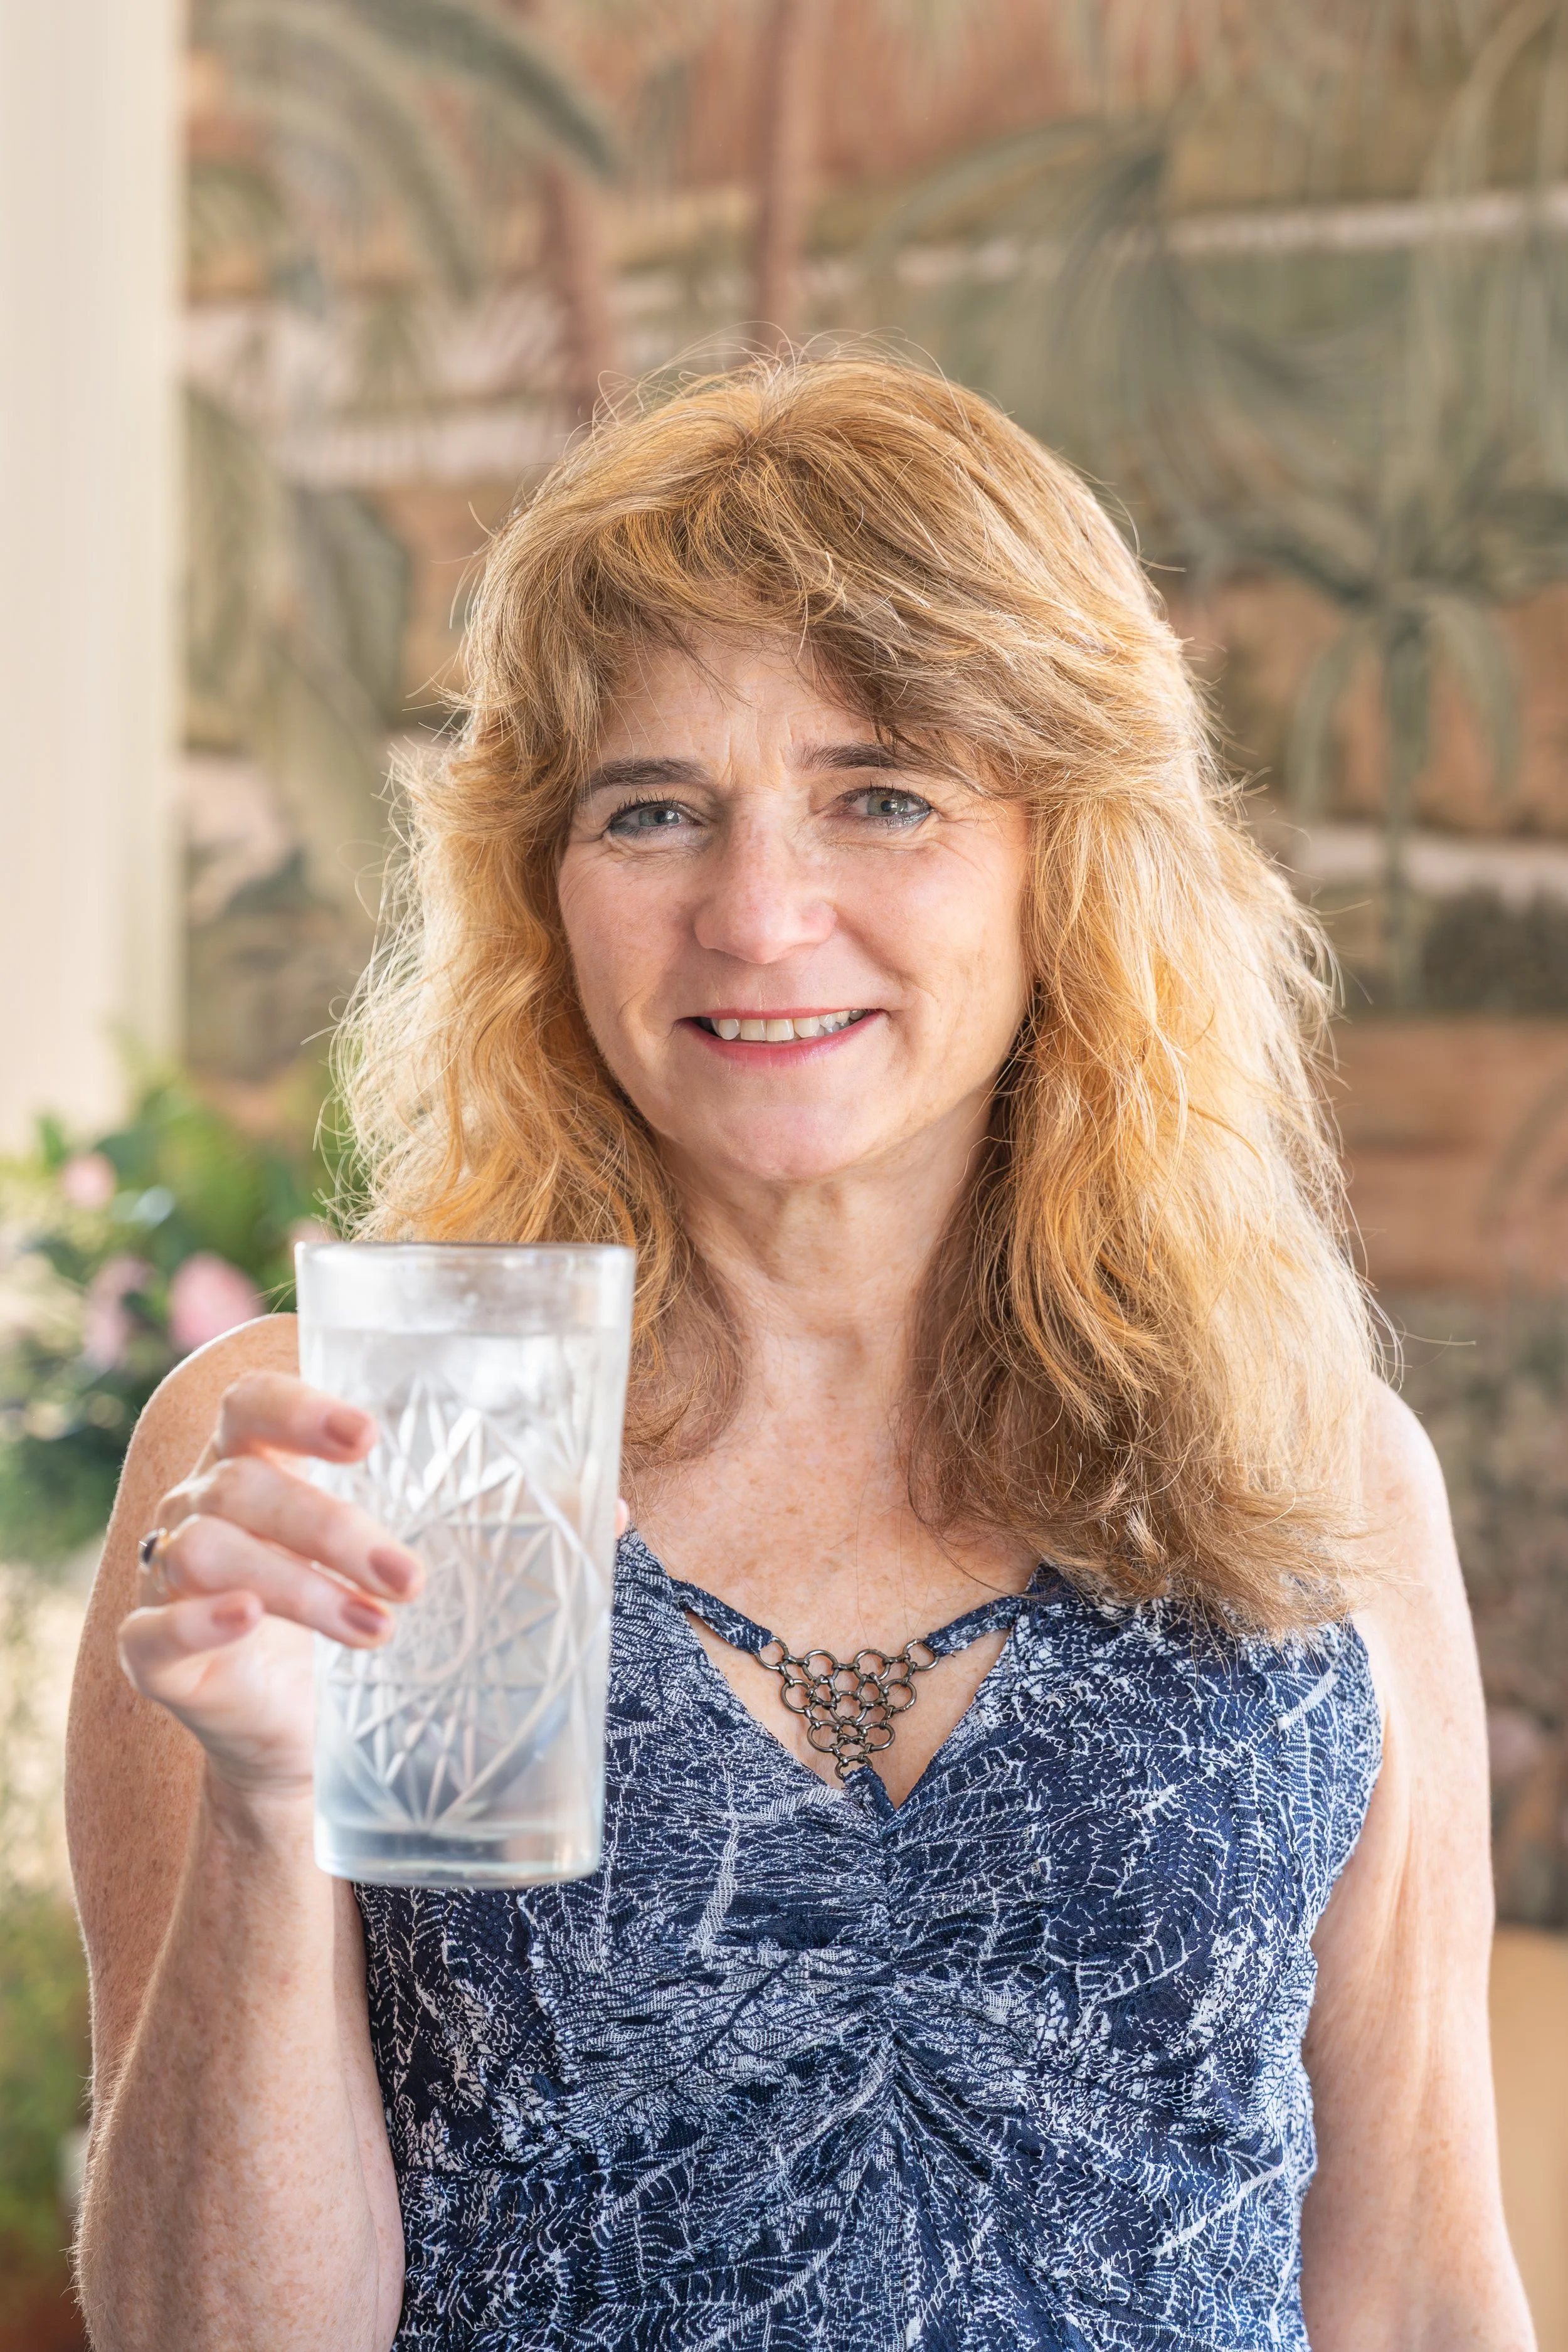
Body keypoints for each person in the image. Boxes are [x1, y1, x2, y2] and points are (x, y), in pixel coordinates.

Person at [67, 356, 1531, 2352]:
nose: (759, 915)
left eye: (882, 794)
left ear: (1063, 860)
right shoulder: (384, 1454)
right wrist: (261, 1813)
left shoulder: (1298, 1460)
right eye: (652, 808)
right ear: (543, 888)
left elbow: (1420, 2287)